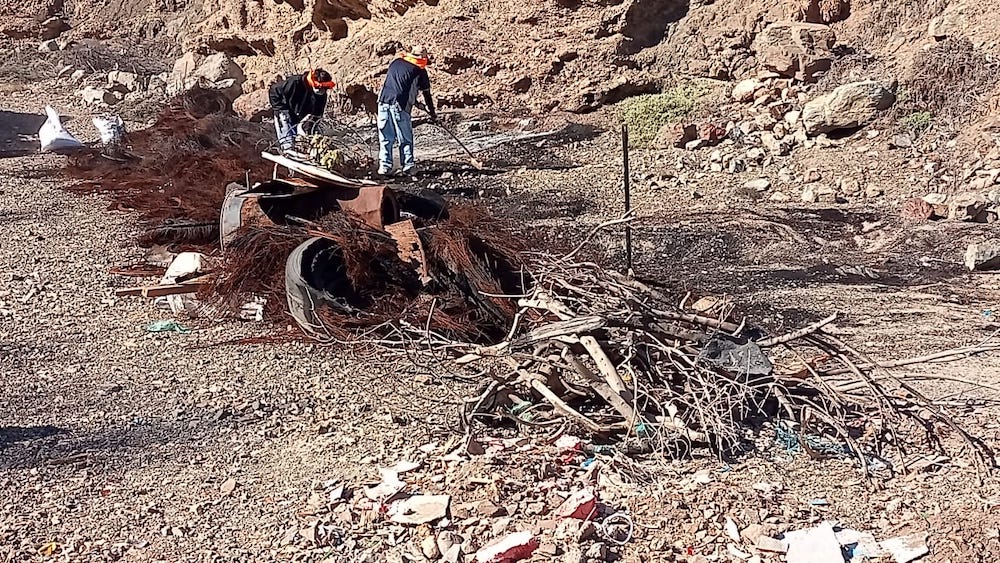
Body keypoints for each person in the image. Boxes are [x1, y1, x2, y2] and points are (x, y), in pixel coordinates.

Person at [376, 45, 437, 176]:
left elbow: (398, 85)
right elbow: (427, 94)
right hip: (400, 105)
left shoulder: (396, 62)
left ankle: (384, 166)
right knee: (404, 137)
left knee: (386, 137)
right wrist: (433, 113)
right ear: (423, 58)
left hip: (383, 101)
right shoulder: (420, 71)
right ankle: (408, 166)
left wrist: (415, 102)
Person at [269, 69, 335, 152]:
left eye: (324, 89)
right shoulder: (294, 82)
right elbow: (274, 91)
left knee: (305, 143)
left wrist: (308, 130)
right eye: (319, 88)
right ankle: (288, 152)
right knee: (288, 144)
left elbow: (317, 114)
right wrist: (281, 109)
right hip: (285, 113)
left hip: (302, 118)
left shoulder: (321, 95)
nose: (321, 90)